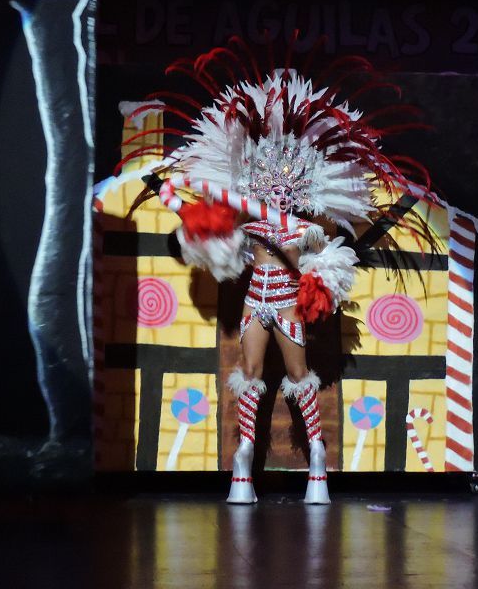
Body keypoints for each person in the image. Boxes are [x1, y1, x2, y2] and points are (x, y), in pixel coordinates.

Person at [122, 40, 431, 504]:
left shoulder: (305, 225)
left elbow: (323, 259)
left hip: (286, 300)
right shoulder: (247, 219)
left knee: (298, 372)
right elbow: (221, 249)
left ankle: (318, 462)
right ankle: (244, 458)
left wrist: (311, 257)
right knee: (248, 371)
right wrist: (207, 232)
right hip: (254, 301)